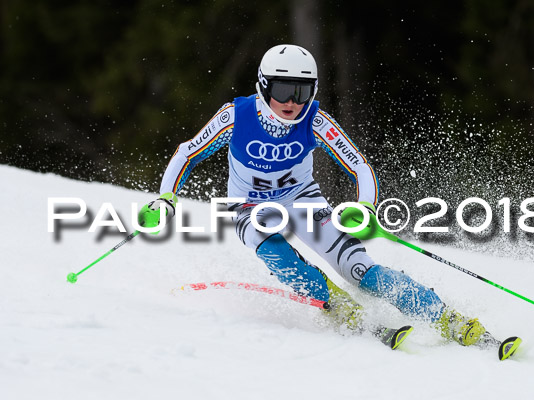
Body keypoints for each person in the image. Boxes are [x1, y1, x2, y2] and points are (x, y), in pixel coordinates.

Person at [139, 44, 486, 346]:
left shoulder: (316, 121)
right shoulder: (236, 116)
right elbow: (188, 152)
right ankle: (339, 308)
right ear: (263, 86)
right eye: (283, 89)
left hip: (303, 202)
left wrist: (365, 206)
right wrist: (165, 198)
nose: (292, 101)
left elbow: (359, 165)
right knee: (274, 249)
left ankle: (448, 319)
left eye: (302, 92)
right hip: (249, 206)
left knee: (362, 270)